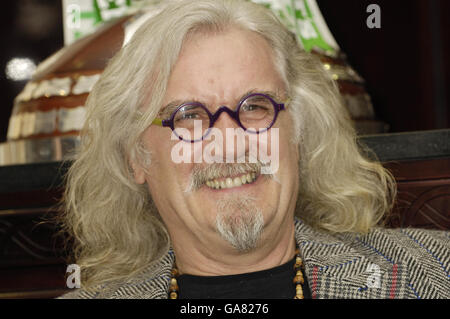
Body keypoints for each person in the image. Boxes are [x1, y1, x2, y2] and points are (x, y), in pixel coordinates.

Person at [59, 0, 449, 299]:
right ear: (135, 156)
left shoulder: (435, 272)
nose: (229, 144)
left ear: (298, 130)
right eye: (189, 115)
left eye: (254, 106)